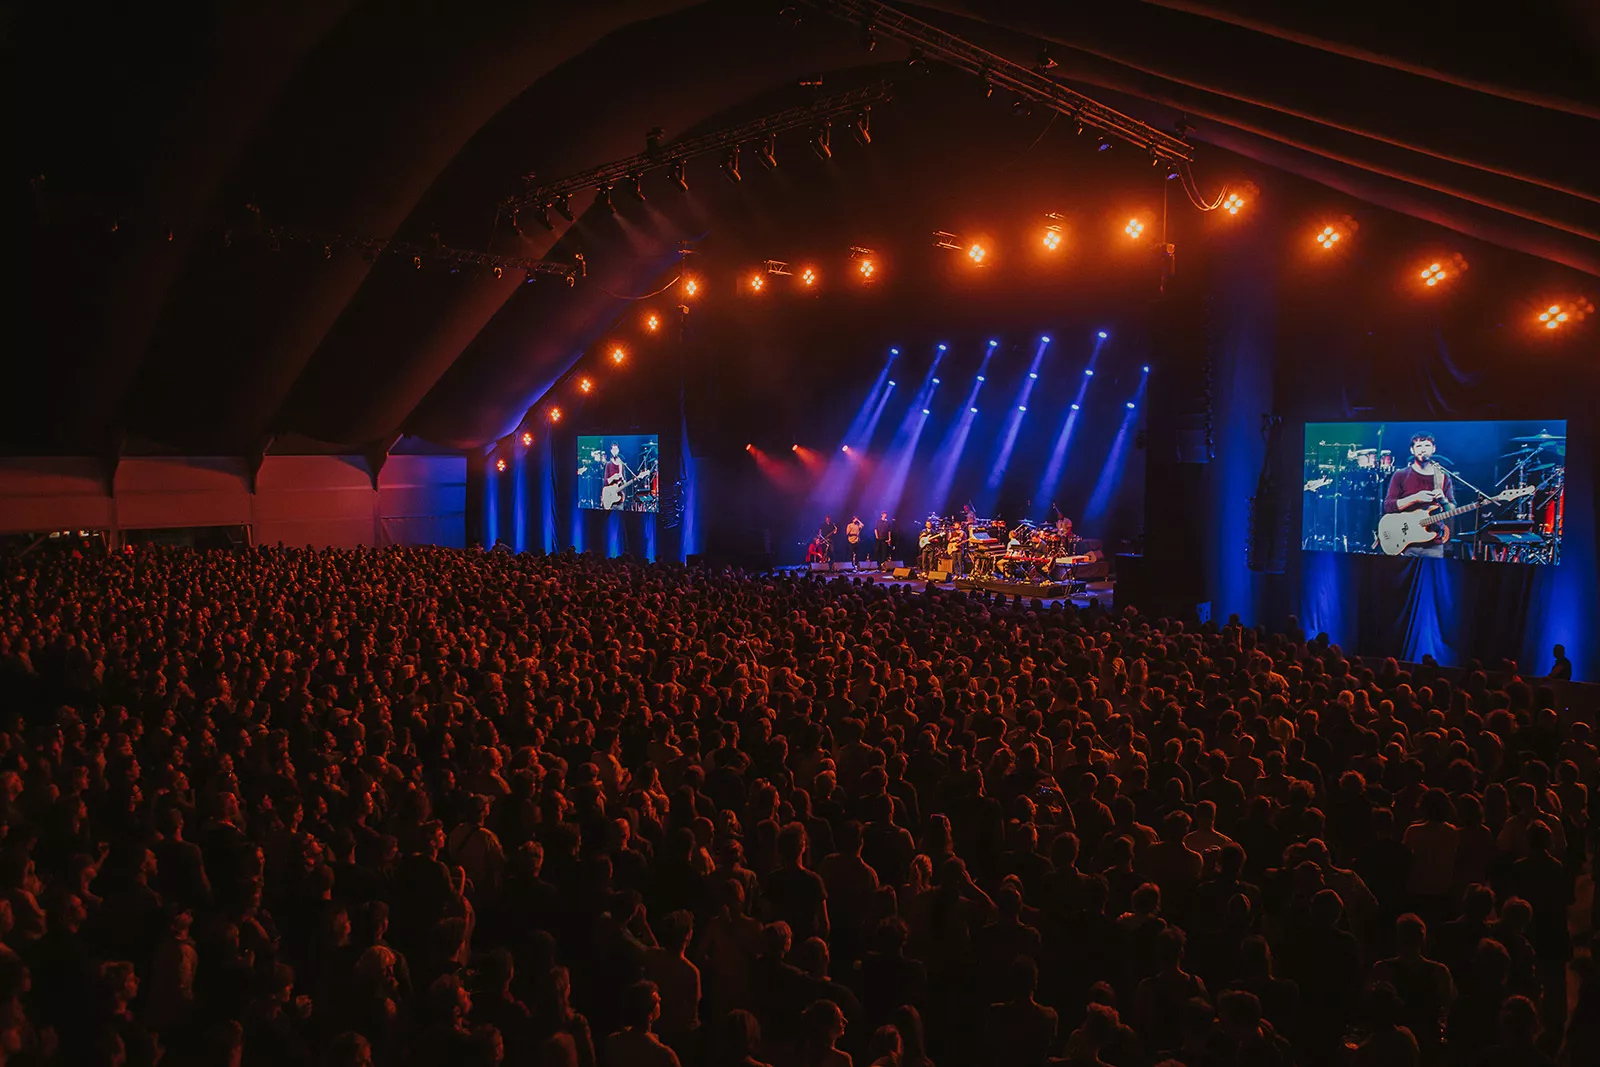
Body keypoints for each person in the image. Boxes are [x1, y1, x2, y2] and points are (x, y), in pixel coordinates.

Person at [1382, 433, 1455, 557]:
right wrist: (1415, 498)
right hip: (1406, 543)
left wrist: (1444, 500)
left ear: (1433, 449)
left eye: (1427, 445)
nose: (1423, 449)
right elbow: (1388, 506)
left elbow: (1452, 510)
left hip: (1433, 543)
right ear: (1412, 450)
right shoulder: (1401, 475)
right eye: (1419, 446)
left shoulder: (1443, 477)